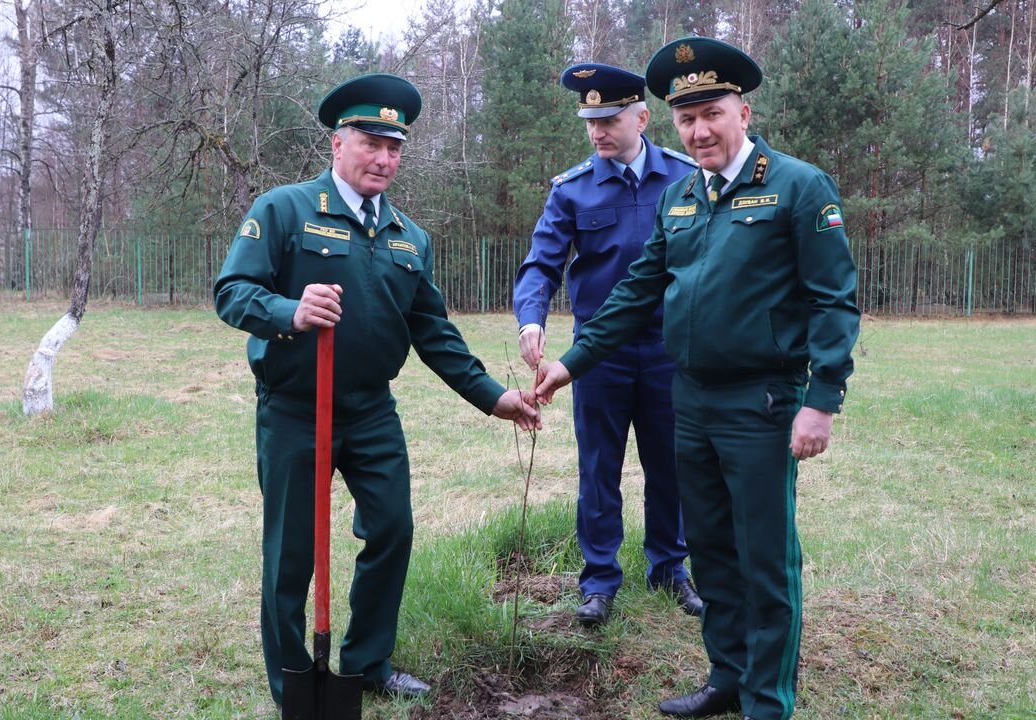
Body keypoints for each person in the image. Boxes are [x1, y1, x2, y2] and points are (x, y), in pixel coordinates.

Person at [534, 37, 860, 720]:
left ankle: (767, 702)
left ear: (742, 110)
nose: (700, 130)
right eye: (686, 118)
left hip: (763, 401)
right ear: (672, 124)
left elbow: (834, 301)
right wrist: (570, 364)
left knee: (765, 560)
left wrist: (821, 402)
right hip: (691, 398)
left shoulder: (797, 186)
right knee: (709, 551)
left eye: (711, 112)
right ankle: (728, 678)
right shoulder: (681, 196)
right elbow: (634, 291)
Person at [214, 73, 540, 710]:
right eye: (371, 142)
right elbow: (232, 293)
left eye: (395, 147)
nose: (384, 158)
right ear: (339, 143)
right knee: (290, 557)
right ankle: (293, 686)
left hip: (369, 413)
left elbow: (434, 333)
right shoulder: (284, 210)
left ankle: (366, 663)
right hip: (295, 411)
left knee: (392, 529)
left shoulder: (407, 237)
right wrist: (289, 310)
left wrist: (495, 396)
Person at [514, 62, 701, 626]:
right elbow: (541, 263)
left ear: (642, 118)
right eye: (590, 121)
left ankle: (670, 568)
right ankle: (598, 580)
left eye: (610, 119)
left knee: (671, 464)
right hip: (597, 355)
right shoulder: (572, 190)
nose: (598, 131)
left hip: (672, 350)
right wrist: (531, 317)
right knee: (600, 467)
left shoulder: (686, 178)